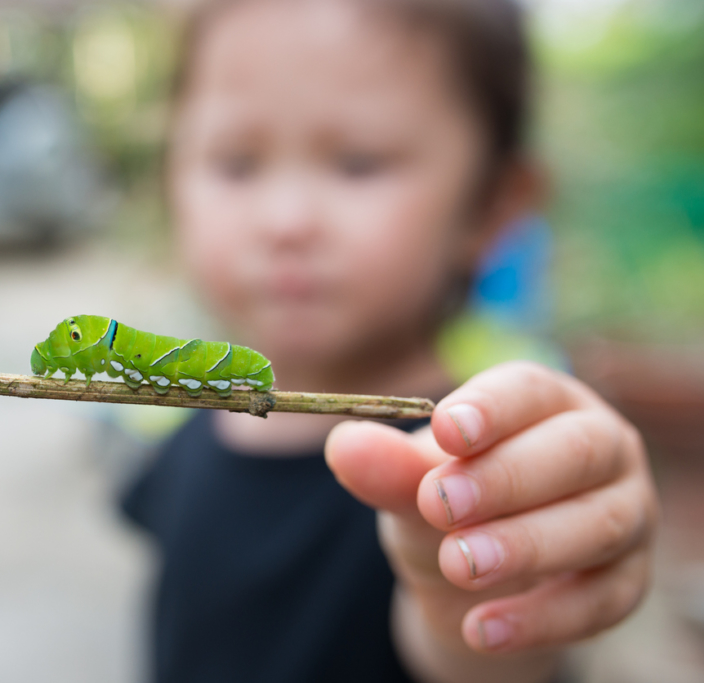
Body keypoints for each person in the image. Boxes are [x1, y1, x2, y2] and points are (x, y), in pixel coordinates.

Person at [121, 0, 659, 681]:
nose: (285, 222)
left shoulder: (458, 472)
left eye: (358, 163)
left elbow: (487, 653)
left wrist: (480, 598)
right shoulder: (187, 441)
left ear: (492, 205)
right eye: (235, 163)